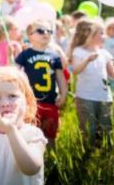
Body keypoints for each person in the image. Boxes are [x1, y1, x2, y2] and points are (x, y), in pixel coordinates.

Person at [69, 19, 114, 148]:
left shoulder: (104, 53)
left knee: (106, 127)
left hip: (105, 97)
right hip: (85, 97)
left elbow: (113, 75)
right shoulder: (79, 51)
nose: (104, 36)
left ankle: (104, 154)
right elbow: (76, 70)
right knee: (89, 129)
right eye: (101, 33)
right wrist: (87, 60)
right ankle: (89, 152)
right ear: (91, 35)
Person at [15, 20, 67, 149]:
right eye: (40, 31)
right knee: (31, 133)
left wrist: (63, 94)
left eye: (49, 31)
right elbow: (14, 73)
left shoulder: (54, 56)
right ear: (30, 36)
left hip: (50, 101)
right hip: (31, 102)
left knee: (50, 134)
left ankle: (51, 159)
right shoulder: (25, 54)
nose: (46, 33)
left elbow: (60, 77)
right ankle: (32, 157)